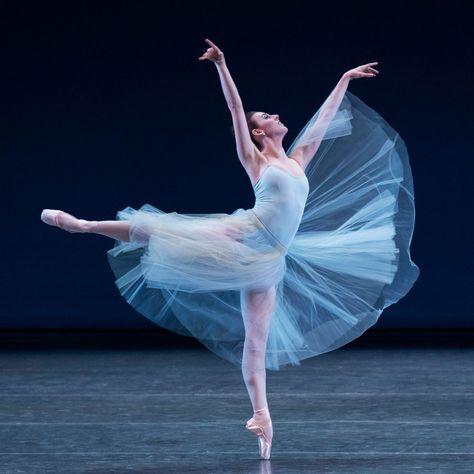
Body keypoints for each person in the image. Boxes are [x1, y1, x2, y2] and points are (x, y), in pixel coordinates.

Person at [41, 39, 420, 460]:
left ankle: (262, 418)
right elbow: (236, 112)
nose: (276, 116)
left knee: (256, 343)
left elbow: (320, 124)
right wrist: (222, 65)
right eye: (267, 116)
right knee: (162, 230)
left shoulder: (296, 161)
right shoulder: (257, 161)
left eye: (272, 114)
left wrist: (344, 80)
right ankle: (85, 225)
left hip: (269, 260)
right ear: (259, 133)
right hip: (241, 235)